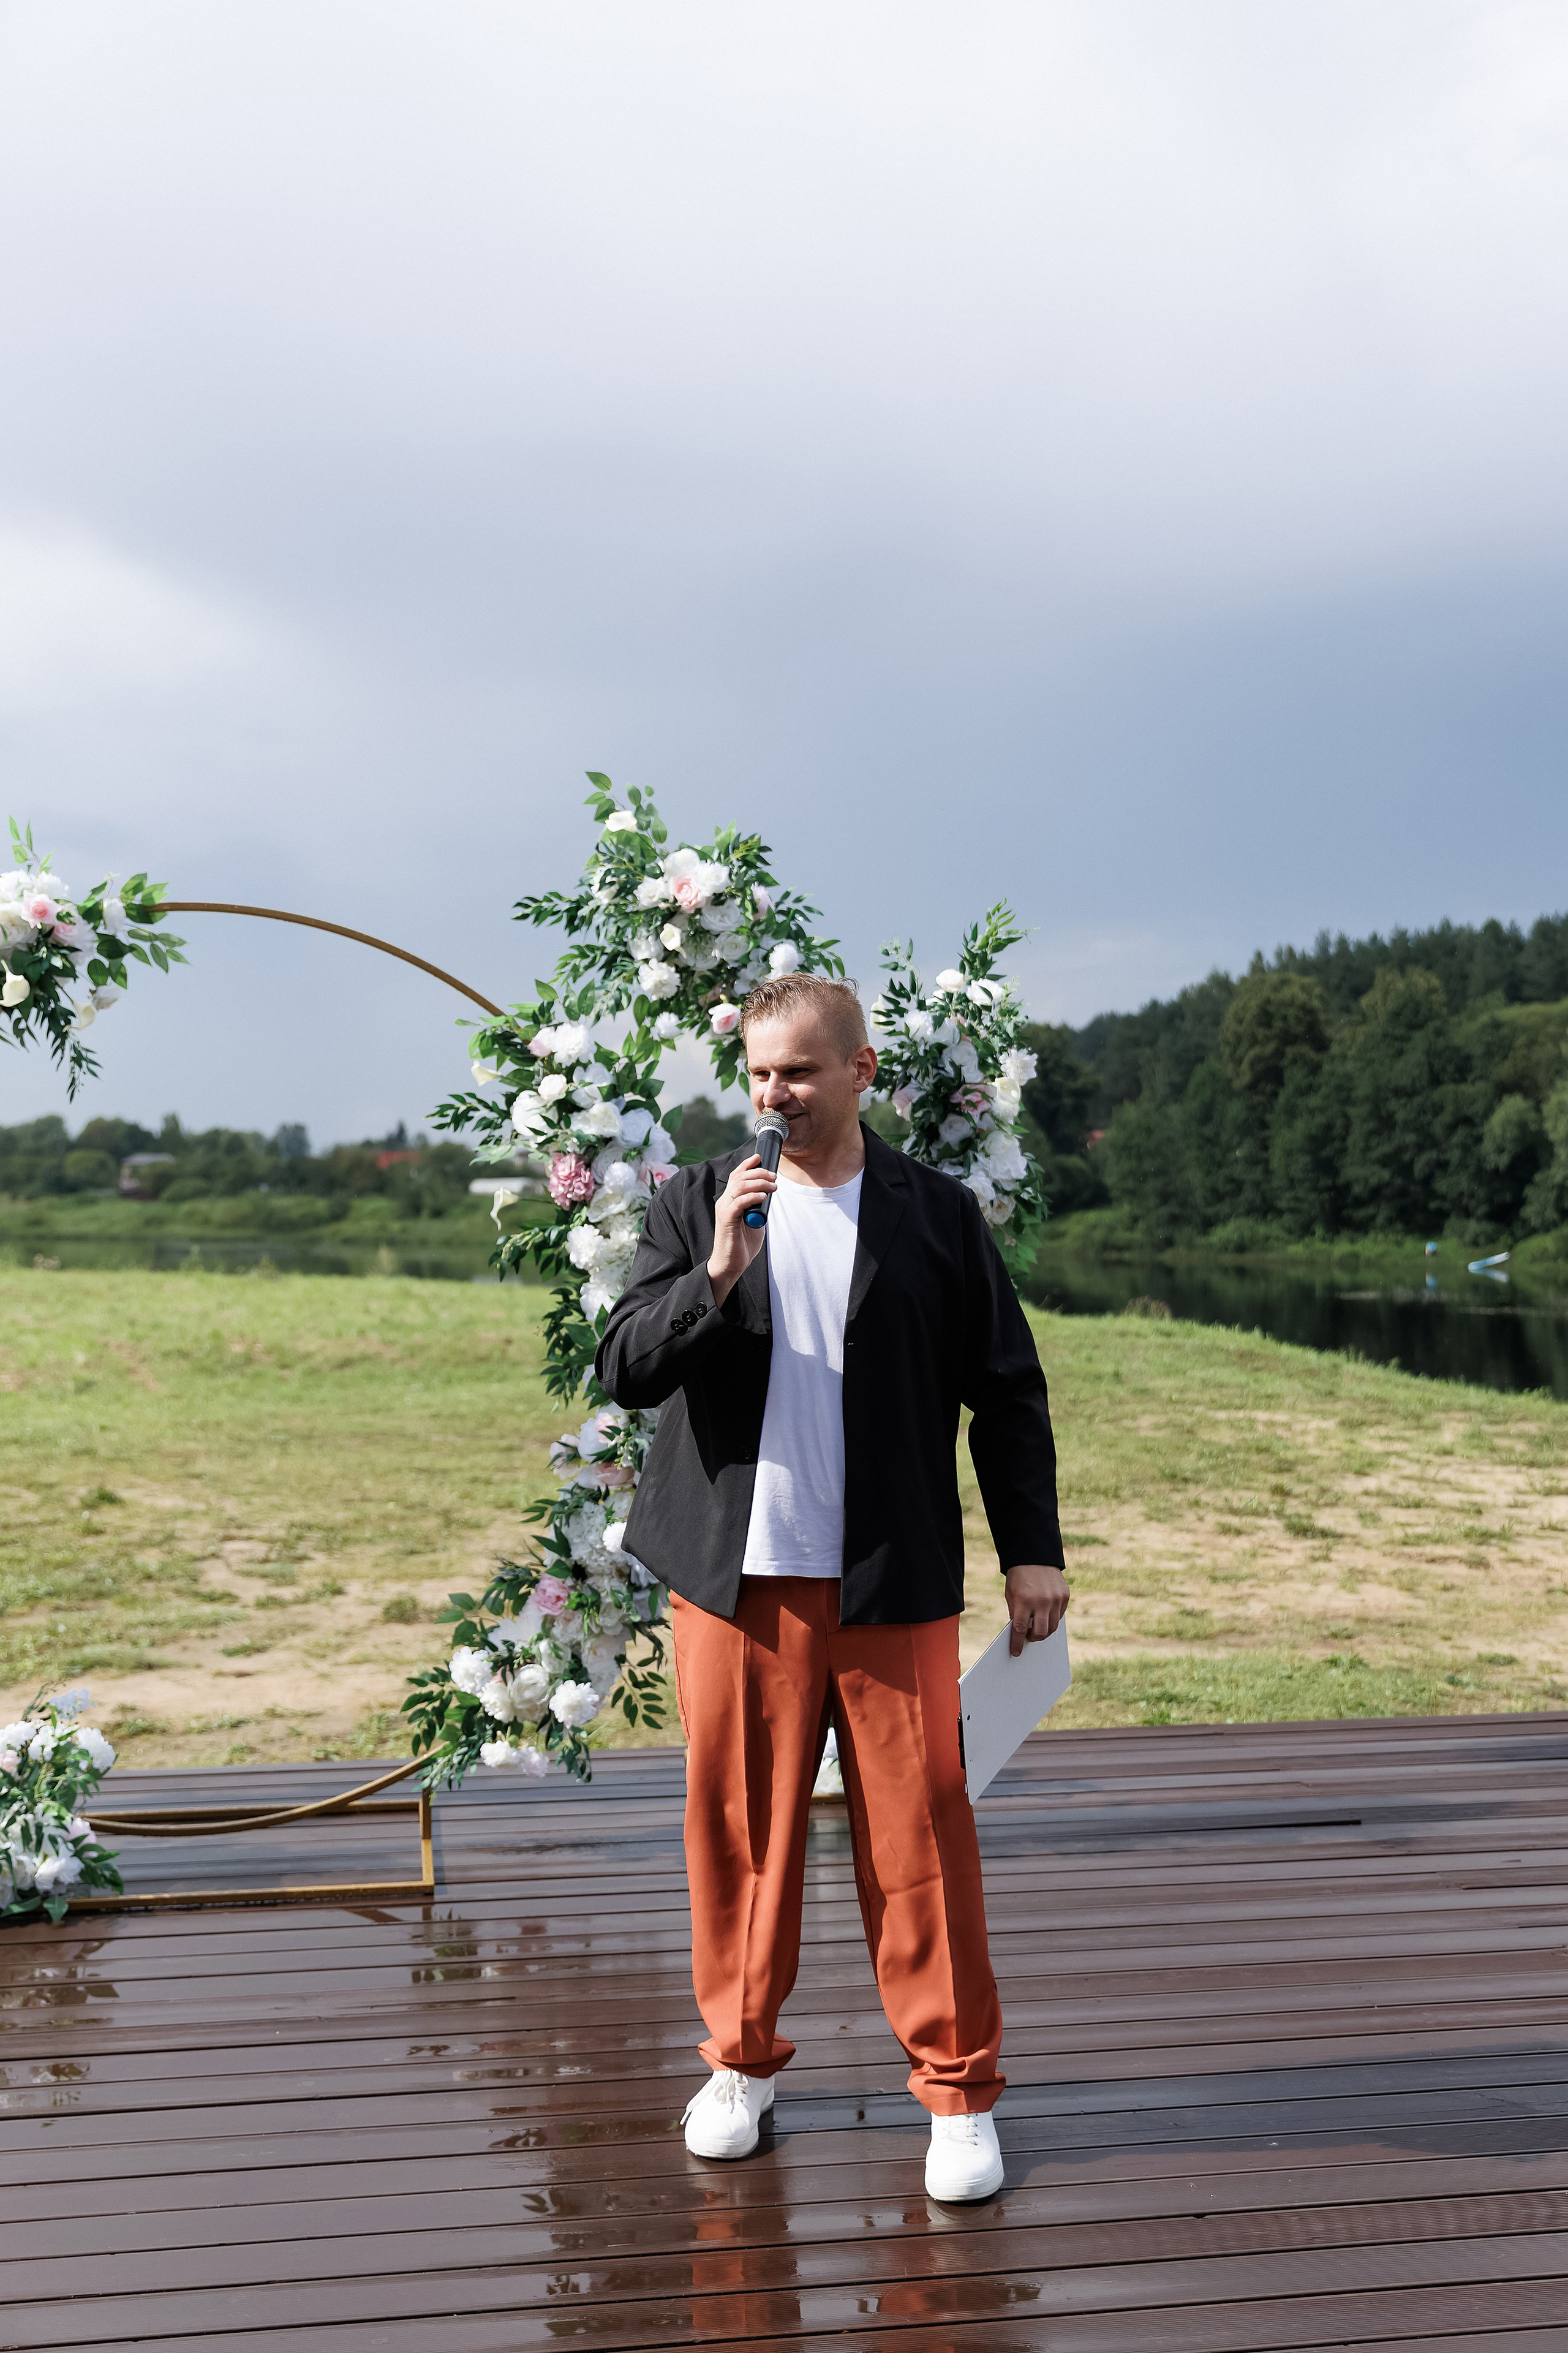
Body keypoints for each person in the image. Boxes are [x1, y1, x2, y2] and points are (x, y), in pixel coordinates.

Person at [596, 971, 1069, 2203]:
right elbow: (625, 1369)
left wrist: (1032, 1549)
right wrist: (710, 1274)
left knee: (920, 1837)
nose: (774, 1095)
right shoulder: (696, 1201)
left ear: (859, 1073)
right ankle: (739, 2066)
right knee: (738, 1837)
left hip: (889, 1575)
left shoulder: (935, 1212)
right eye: (757, 1075)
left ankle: (957, 2092)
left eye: (798, 1073)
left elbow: (1004, 1391)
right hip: (735, 1583)